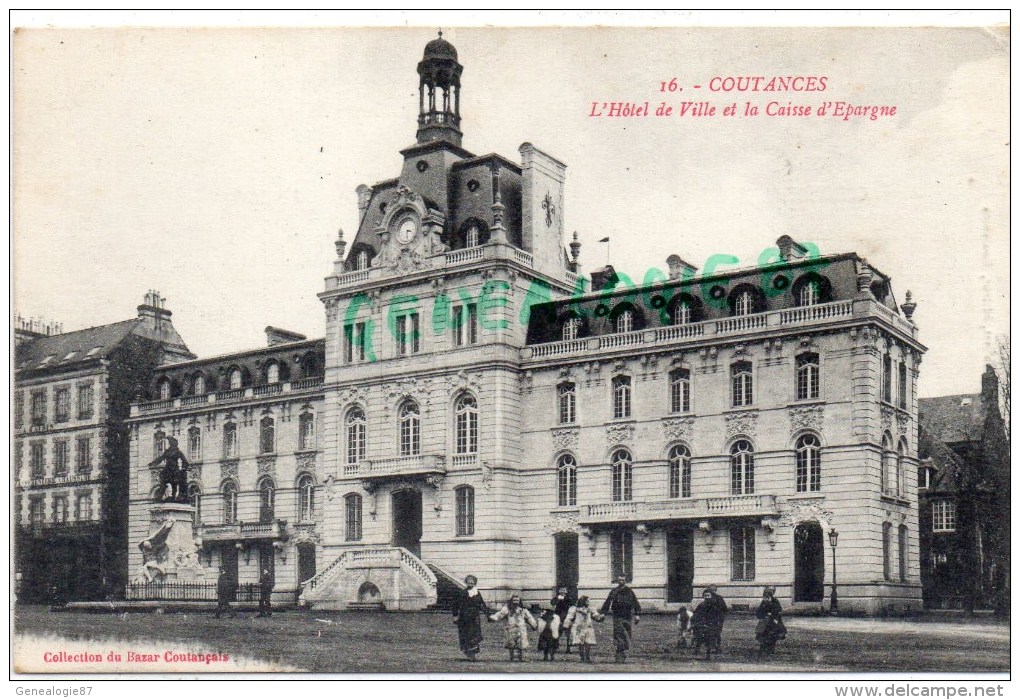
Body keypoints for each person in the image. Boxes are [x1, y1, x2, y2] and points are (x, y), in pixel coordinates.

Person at [600, 575, 641, 663]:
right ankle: (619, 655)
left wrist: (637, 614)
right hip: (617, 616)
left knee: (626, 634)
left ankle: (622, 652)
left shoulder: (629, 591)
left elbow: (635, 603)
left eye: (623, 580)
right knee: (619, 634)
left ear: (625, 581)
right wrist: (603, 613)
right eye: (620, 580)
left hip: (627, 616)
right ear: (617, 581)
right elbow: (607, 602)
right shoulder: (614, 591)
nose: (621, 582)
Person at [489, 594, 537, 662]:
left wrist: (534, 625)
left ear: (519, 601)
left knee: (521, 644)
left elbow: (529, 618)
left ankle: (520, 657)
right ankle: (511, 657)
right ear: (511, 601)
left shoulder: (523, 610)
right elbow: (500, 614)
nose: (515, 602)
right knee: (511, 644)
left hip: (521, 628)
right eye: (514, 600)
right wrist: (493, 618)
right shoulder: (507, 609)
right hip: (511, 628)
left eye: (517, 600)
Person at [452, 574, 487, 661]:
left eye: (472, 582)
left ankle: (473, 654)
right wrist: (455, 616)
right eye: (469, 582)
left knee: (474, 635)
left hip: (474, 617)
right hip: (464, 617)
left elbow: (481, 604)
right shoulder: (462, 593)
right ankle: (469, 654)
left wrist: (487, 613)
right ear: (466, 583)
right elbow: (455, 605)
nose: (471, 584)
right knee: (466, 635)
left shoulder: (477, 593)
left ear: (475, 583)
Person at [146, 436, 190, 503]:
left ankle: (173, 496)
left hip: (175, 468)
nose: (170, 443)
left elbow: (185, 462)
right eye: (170, 442)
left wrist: (183, 469)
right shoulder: (167, 451)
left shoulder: (178, 452)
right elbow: (161, 458)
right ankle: (160, 496)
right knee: (163, 479)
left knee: (174, 483)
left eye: (171, 442)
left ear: (175, 443)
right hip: (168, 468)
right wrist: (153, 463)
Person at [563, 595, 604, 663]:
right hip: (579, 627)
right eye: (587, 600)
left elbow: (595, 616)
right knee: (580, 643)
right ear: (583, 601)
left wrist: (600, 617)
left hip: (588, 627)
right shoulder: (575, 609)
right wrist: (566, 624)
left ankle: (587, 657)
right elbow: (569, 617)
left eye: (589, 600)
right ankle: (582, 658)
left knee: (588, 642)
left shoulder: (590, 609)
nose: (589, 602)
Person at [690, 588, 724, 659]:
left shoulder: (715, 605)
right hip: (702, 624)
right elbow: (696, 614)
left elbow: (719, 615)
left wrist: (717, 623)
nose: (707, 597)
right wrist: (696, 622)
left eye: (708, 595)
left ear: (711, 596)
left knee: (711, 639)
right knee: (700, 638)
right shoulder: (701, 605)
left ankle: (710, 653)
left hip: (712, 624)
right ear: (703, 596)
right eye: (705, 595)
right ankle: (697, 650)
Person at [755, 586, 786, 656]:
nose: (766, 598)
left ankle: (770, 650)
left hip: (773, 622)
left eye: (767, 597)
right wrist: (763, 615)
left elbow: (778, 610)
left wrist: (772, 614)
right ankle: (763, 649)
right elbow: (758, 612)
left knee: (772, 636)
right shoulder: (763, 602)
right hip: (764, 623)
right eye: (765, 597)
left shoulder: (775, 601)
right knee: (763, 636)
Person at [550, 586, 575, 653]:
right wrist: (558, 599)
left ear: (566, 591)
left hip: (566, 617)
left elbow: (572, 604)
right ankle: (556, 645)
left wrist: (564, 599)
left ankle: (568, 647)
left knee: (568, 633)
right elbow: (552, 603)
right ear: (559, 591)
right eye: (561, 590)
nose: (563, 592)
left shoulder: (569, 598)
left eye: (564, 590)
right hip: (558, 616)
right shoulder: (556, 598)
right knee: (557, 631)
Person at [707, 584, 728, 653]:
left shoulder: (719, 598)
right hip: (710, 619)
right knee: (712, 633)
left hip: (717, 619)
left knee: (717, 633)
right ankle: (713, 647)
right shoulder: (708, 598)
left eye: (713, 590)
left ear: (715, 590)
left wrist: (721, 619)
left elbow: (724, 609)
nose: (712, 591)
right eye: (711, 590)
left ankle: (717, 647)